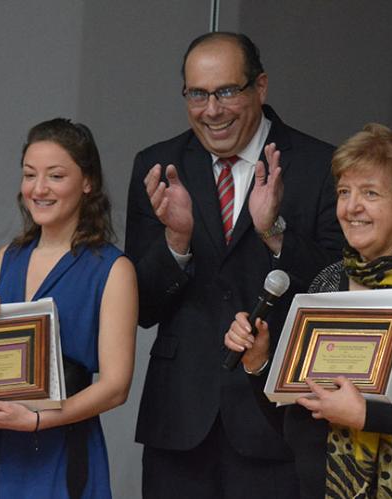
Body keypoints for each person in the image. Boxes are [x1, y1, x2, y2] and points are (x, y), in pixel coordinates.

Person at [225, 123, 392, 498]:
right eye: (343, 192)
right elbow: (292, 422)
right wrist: (259, 366)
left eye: (370, 193)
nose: (351, 207)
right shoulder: (329, 281)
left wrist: (365, 416)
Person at [125, 32, 343, 498]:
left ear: (260, 87)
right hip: (179, 421)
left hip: (277, 420)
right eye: (197, 94)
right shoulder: (159, 165)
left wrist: (275, 231)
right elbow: (140, 307)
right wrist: (176, 240)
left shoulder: (319, 164)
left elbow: (336, 290)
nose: (212, 110)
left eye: (226, 91)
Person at [0, 118, 137, 498]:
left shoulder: (112, 269)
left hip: (61, 445)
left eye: (55, 176)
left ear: (87, 182)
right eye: (29, 175)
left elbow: (116, 387)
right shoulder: (7, 256)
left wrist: (38, 420)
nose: (38, 189)